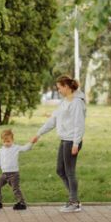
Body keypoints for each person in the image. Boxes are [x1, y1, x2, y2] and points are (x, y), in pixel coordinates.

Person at [31, 75, 86, 213]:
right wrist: (39, 133)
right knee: (60, 170)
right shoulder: (63, 102)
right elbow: (53, 120)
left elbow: (79, 124)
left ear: (66, 87)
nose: (59, 90)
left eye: (60, 87)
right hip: (64, 140)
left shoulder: (77, 102)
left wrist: (76, 143)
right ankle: (74, 199)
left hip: (72, 141)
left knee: (69, 172)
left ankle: (74, 203)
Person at [0, 129, 32, 210]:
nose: (6, 143)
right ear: (2, 141)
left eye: (8, 141)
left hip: (14, 174)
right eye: (4, 141)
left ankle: (21, 203)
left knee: (16, 189)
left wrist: (31, 142)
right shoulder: (1, 151)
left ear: (12, 140)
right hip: (4, 174)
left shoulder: (16, 148)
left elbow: (25, 148)